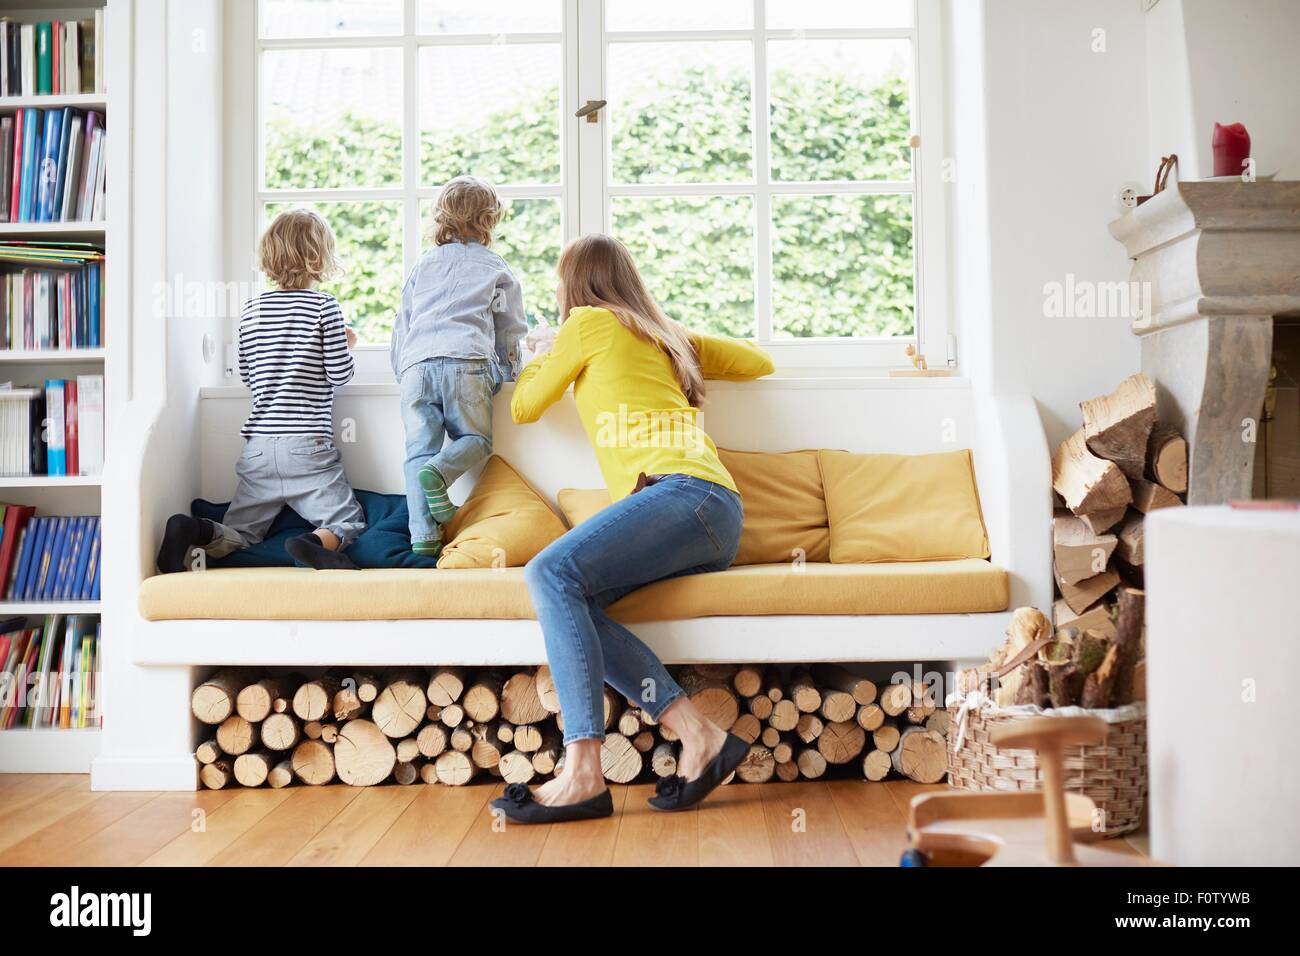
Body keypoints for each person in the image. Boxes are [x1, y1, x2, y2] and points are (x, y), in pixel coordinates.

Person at [493, 233, 775, 824]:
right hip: (712, 512)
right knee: (576, 601)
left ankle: (583, 770)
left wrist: (545, 348)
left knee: (548, 570)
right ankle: (698, 735)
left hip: (682, 494)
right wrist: (677, 335)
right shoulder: (665, 336)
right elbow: (759, 361)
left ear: (573, 285)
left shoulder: (587, 324)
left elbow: (523, 408)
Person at [156, 208, 365, 572]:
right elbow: (339, 374)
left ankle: (191, 529)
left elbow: (250, 378)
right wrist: (346, 344)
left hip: (258, 448)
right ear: (320, 257)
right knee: (349, 522)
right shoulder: (324, 305)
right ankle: (313, 543)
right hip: (307, 445)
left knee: (242, 534)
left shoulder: (251, 310)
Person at [390, 175, 527, 556]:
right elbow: (510, 330)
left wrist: (403, 373)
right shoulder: (494, 266)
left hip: (417, 367)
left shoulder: (423, 266)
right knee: (477, 440)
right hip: (467, 361)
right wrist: (509, 372)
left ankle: (423, 535)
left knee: (418, 451)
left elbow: (402, 324)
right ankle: (441, 473)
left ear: (441, 218)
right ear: (489, 220)